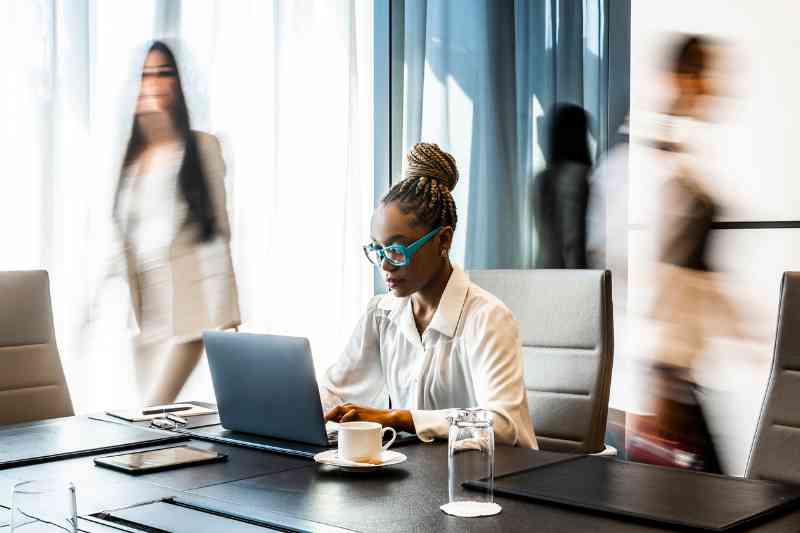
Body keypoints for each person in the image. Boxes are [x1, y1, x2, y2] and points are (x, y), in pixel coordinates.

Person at [321, 143, 537, 448]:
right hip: (420, 479)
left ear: (443, 240)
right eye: (377, 250)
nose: (384, 264)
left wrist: (401, 418)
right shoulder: (382, 313)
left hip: (494, 480)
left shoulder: (487, 318)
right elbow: (336, 391)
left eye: (396, 250)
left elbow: (503, 423)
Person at [113, 40, 240, 405]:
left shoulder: (202, 147)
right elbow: (123, 241)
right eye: (146, 75)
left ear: (179, 82)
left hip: (188, 319)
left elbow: (217, 234)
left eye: (164, 73)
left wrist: (225, 316)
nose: (154, 83)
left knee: (151, 412)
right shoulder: (133, 159)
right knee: (150, 429)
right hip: (146, 322)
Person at [532, 103, 592, 269]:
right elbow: (572, 239)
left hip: (543, 270)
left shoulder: (540, 179)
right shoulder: (578, 175)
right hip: (569, 274)